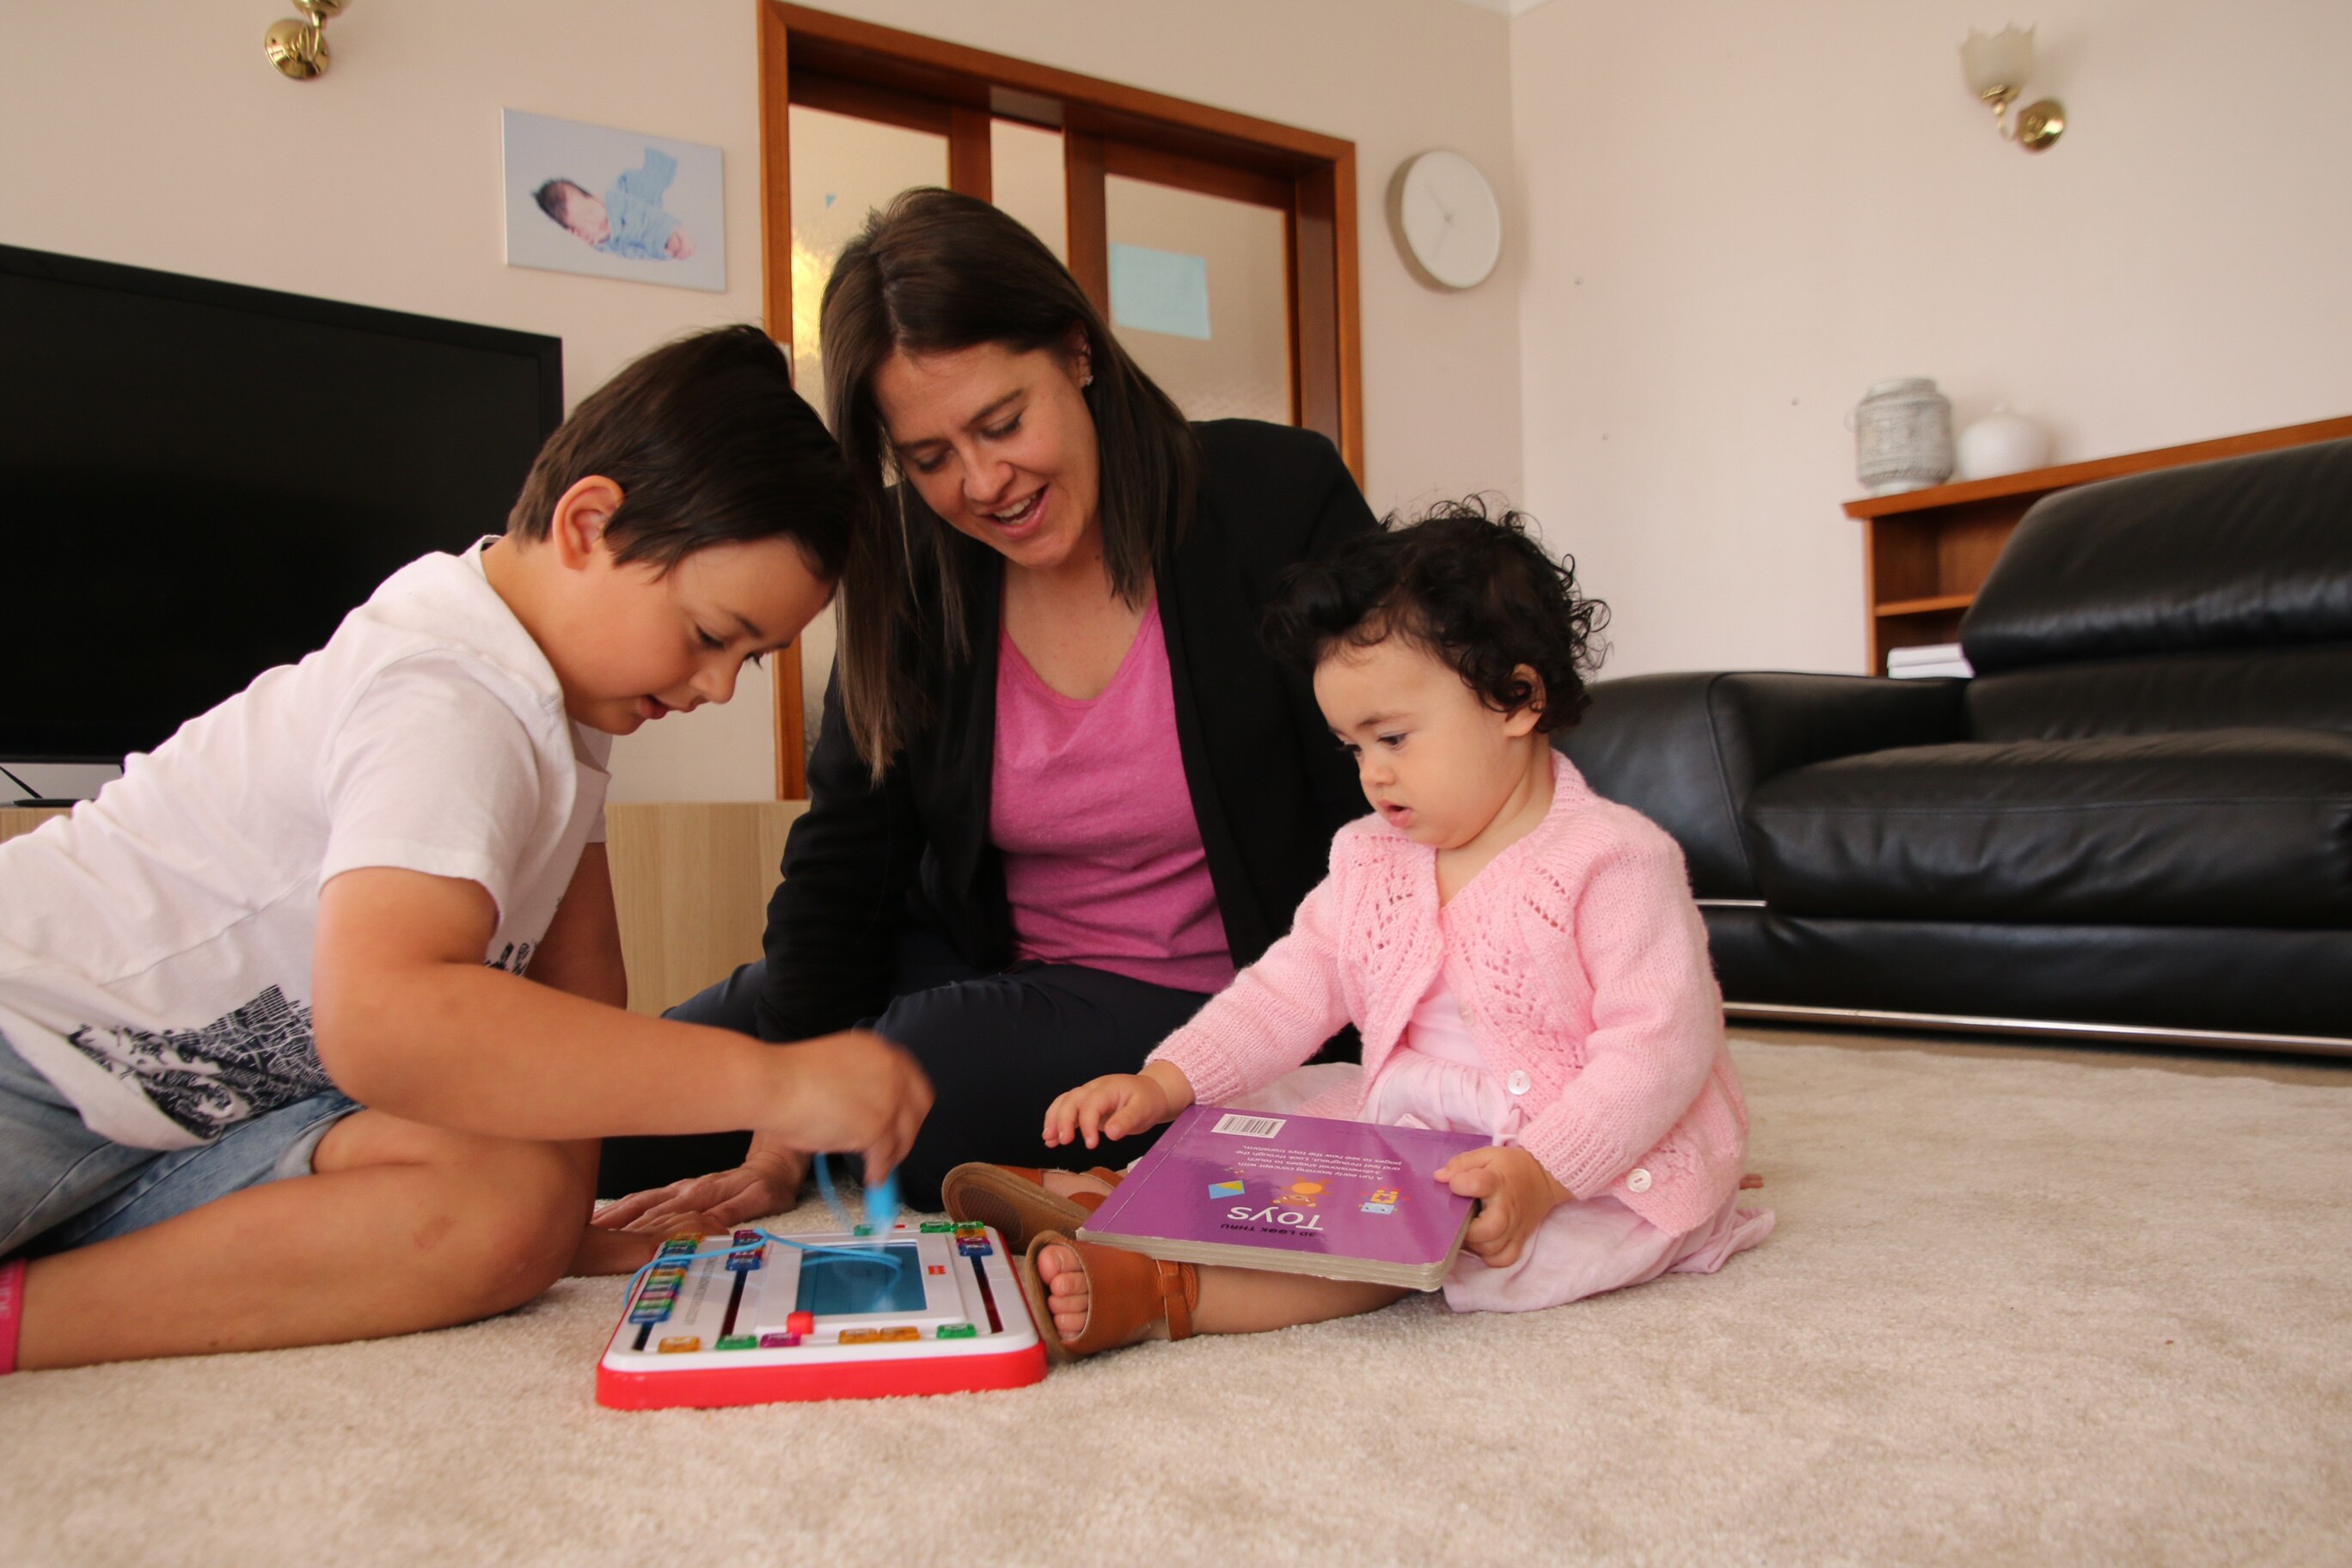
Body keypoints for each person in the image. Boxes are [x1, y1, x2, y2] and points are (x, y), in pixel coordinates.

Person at [0, 326, 931, 1374]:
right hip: (28, 1058)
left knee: (510, 1208)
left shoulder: (566, 714)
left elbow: (577, 994)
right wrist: (774, 1083)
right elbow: (388, 1020)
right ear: (589, 524)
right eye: (713, 635)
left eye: (751, 662)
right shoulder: (450, 688)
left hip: (185, 1129)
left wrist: (559, 1231)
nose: (718, 686)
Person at [594, 188, 1377, 1224]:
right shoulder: (909, 559)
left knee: (908, 1077)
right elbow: (846, 857)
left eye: (1003, 423)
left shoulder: (1278, 497)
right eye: (928, 459)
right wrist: (777, 1112)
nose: (983, 483)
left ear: (1077, 351)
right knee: (636, 1092)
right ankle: (343, 1140)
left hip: (1228, 1000)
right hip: (988, 966)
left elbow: (1401, 786)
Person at [964, 502, 1773, 1357]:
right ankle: (1115, 1194)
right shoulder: (1372, 857)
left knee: (1403, 1236)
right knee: (1265, 1110)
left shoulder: (1614, 861)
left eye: (1392, 738)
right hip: (1412, 1111)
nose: (1373, 775)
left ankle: (1172, 1288)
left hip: (1574, 1156)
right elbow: (1291, 988)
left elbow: (1660, 1052)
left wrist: (1544, 1173)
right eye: (1353, 748)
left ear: (1516, 699)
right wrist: (1166, 1080)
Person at [535, 146, 695, 261]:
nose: (594, 221)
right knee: (656, 242)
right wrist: (602, 239)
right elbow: (630, 251)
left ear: (595, 199)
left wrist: (676, 229)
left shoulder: (616, 202)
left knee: (651, 182)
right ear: (576, 231)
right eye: (583, 223)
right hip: (646, 239)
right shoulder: (600, 242)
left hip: (636, 192)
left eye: (590, 211)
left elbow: (647, 215)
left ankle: (658, 156)